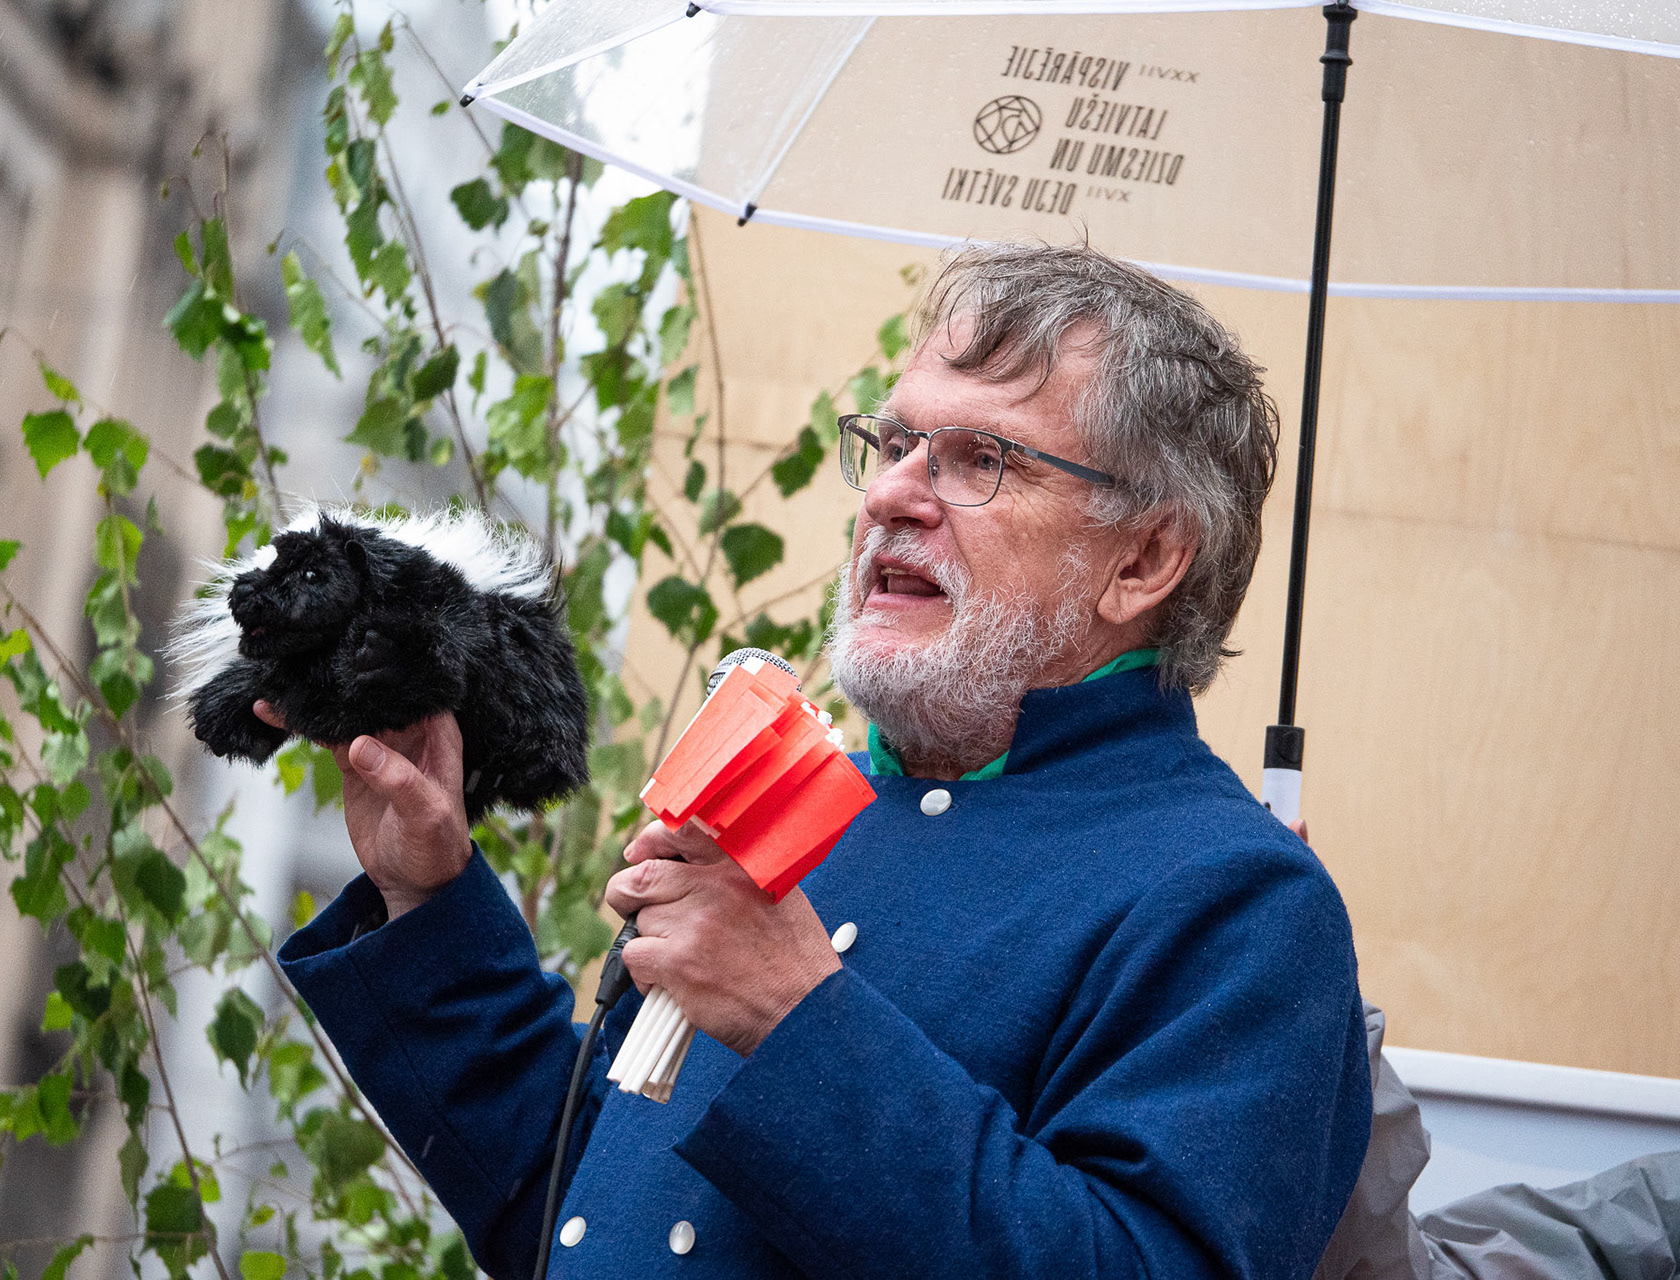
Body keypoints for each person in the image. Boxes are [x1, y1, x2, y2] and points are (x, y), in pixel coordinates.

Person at [275, 243, 1374, 1279]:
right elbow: (578, 1215)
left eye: (981, 459)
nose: (891, 494)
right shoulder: (810, 800)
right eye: (893, 445)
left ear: (1144, 559)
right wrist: (427, 896)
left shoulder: (1239, 899)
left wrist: (796, 1016)